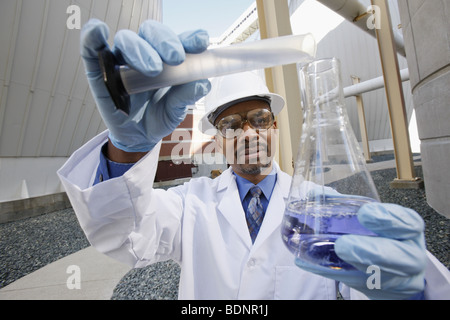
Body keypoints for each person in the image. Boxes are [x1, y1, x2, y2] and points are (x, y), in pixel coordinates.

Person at [58, 19, 450, 300]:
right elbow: (124, 235)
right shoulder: (189, 205)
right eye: (231, 124)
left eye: (259, 119)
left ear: (275, 126)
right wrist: (128, 148)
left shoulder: (319, 206)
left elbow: (360, 279)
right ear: (217, 141)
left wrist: (406, 290)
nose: (248, 133)